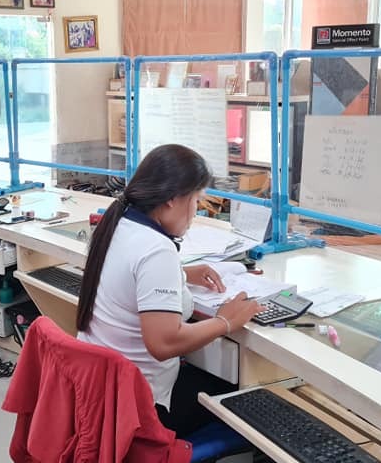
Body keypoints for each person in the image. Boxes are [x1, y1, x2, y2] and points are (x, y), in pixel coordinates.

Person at [75, 144, 261, 437]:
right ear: (173, 199)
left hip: (101, 396)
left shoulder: (119, 222)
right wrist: (225, 322)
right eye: (196, 200)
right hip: (141, 410)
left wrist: (182, 275)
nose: (196, 211)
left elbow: (130, 277)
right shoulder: (156, 249)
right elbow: (162, 343)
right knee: (241, 394)